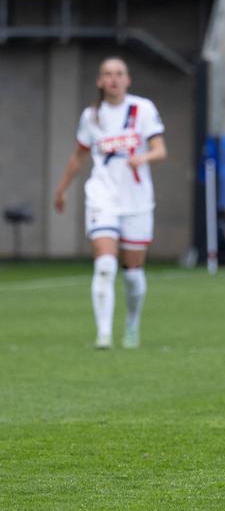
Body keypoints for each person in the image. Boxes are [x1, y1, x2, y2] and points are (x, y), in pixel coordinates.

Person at [53, 56, 167, 349]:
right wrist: (62, 189)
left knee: (132, 273)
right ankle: (103, 335)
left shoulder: (143, 109)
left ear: (127, 79)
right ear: (100, 81)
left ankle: (131, 324)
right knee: (105, 265)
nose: (113, 79)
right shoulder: (91, 116)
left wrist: (143, 157)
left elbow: (160, 150)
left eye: (119, 73)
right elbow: (78, 155)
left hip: (137, 200)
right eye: (107, 74)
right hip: (102, 196)